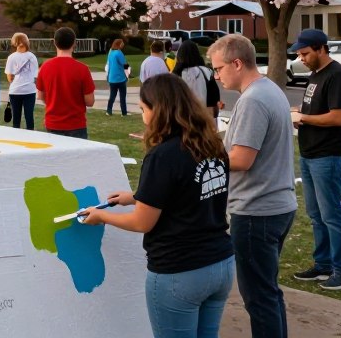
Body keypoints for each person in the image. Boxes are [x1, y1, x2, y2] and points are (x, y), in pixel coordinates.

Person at [82, 74, 234, 337]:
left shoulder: (163, 155)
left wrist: (101, 217)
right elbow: (191, 190)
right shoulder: (213, 145)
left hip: (180, 270)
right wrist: (137, 196)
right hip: (220, 264)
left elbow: (143, 222)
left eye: (143, 109)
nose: (142, 116)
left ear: (160, 110)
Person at [208, 34, 296, 338]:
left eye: (218, 69)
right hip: (277, 206)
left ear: (236, 63)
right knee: (268, 293)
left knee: (259, 298)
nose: (216, 76)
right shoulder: (269, 89)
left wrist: (200, 155)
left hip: (257, 212)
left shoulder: (253, 99)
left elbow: (242, 159)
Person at [288, 28, 341, 291]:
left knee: (331, 215)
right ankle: (323, 265)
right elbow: (315, 109)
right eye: (299, 54)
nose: (301, 58)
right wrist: (298, 112)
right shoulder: (316, 75)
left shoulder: (338, 76)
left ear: (321, 48)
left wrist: (303, 118)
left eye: (305, 53)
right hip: (310, 153)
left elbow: (338, 117)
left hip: (329, 155)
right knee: (316, 215)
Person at [36, 27, 95, 138]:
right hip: (76, 125)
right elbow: (90, 101)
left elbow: (41, 95)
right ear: (74, 43)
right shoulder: (82, 69)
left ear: (54, 43)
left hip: (53, 123)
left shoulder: (45, 67)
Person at [5, 32, 38, 130]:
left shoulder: (11, 57)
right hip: (30, 90)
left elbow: (10, 78)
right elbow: (35, 76)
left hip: (15, 91)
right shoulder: (32, 57)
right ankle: (31, 137)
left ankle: (17, 138)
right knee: (29, 117)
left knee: (16, 118)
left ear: (15, 42)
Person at [172, 40, 211, 106]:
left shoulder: (175, 75)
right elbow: (213, 102)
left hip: (181, 113)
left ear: (180, 55)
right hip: (202, 112)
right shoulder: (207, 72)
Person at [105, 38, 130, 116]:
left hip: (112, 78)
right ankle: (124, 112)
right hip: (120, 78)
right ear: (119, 44)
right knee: (122, 96)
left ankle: (109, 111)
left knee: (112, 95)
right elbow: (124, 64)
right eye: (122, 43)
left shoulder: (111, 53)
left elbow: (108, 65)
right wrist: (128, 74)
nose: (123, 44)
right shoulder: (119, 53)